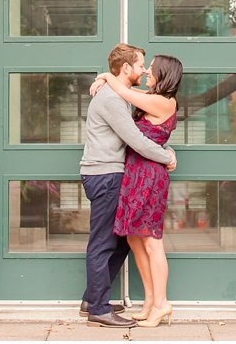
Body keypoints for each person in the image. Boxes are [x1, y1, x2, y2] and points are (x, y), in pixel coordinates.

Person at [78, 43, 176, 328]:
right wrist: (167, 156)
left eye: (148, 66)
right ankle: (97, 308)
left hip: (113, 174)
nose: (144, 70)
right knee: (103, 243)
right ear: (126, 68)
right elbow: (136, 140)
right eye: (140, 65)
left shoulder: (121, 95)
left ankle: (92, 298)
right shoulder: (111, 99)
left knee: (123, 238)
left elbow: (149, 112)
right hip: (105, 175)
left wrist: (103, 76)